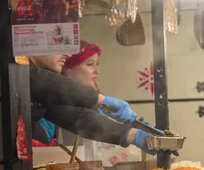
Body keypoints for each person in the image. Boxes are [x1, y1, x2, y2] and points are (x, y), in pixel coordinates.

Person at [29, 52, 163, 155]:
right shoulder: (18, 67)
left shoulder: (47, 90)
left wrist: (131, 135)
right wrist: (101, 100)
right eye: (58, 45)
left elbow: (75, 117)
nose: (68, 54)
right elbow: (36, 79)